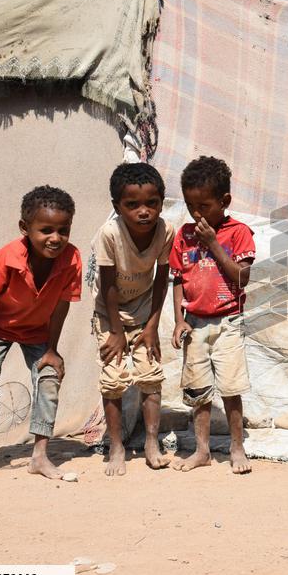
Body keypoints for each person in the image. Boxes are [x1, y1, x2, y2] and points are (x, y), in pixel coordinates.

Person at [0, 186, 82, 483]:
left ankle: (39, 456)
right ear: (25, 228)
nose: (56, 238)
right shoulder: (7, 257)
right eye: (46, 230)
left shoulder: (71, 259)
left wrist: (52, 350)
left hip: (37, 329)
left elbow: (61, 307)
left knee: (50, 377)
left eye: (63, 230)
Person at [169, 156, 255, 474]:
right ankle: (202, 450)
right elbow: (177, 278)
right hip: (195, 324)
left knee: (231, 390)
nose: (196, 214)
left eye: (203, 206)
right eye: (191, 206)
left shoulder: (238, 233)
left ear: (224, 201)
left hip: (228, 322)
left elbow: (241, 276)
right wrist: (179, 319)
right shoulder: (183, 235)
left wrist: (213, 244)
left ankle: (236, 447)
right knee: (197, 392)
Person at [92, 163, 175, 476]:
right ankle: (116, 446)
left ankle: (152, 442)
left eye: (152, 203)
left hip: (143, 311)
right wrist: (115, 331)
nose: (144, 212)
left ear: (161, 202)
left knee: (151, 374)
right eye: (133, 205)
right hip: (109, 313)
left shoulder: (165, 231)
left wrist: (152, 325)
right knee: (113, 379)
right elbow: (108, 284)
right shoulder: (110, 234)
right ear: (117, 207)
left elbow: (162, 277)